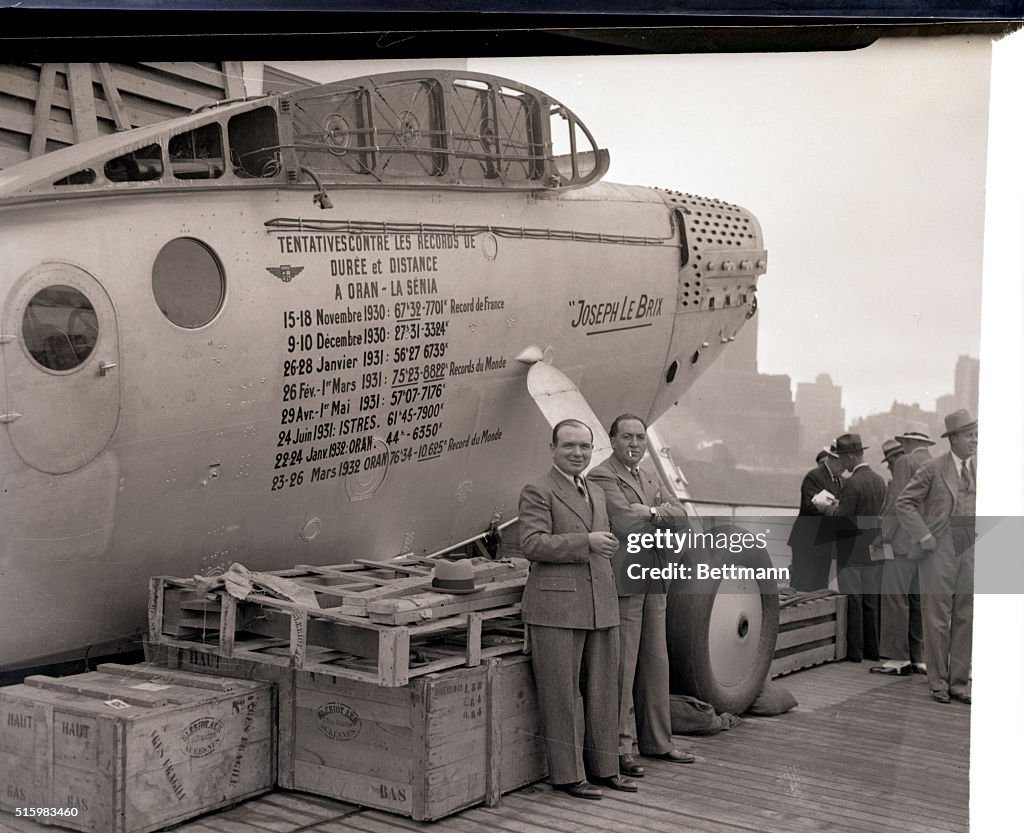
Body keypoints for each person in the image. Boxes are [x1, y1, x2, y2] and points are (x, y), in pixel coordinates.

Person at [518, 418, 637, 799]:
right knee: (562, 693)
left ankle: (606, 768)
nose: (577, 453)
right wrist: (585, 541)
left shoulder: (595, 492)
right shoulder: (538, 489)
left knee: (605, 688)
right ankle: (569, 776)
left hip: (599, 601)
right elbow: (532, 544)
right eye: (569, 446)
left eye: (584, 447)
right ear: (552, 448)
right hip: (555, 605)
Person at [588, 414, 695, 780]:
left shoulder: (647, 477)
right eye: (627, 437)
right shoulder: (602, 476)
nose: (635, 444)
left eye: (640, 437)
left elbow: (681, 517)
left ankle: (658, 741)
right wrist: (657, 514)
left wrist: (650, 511)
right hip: (626, 579)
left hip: (654, 576)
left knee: (655, 660)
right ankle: (621, 747)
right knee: (624, 664)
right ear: (613, 441)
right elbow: (625, 521)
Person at [896, 409, 976, 705]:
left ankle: (959, 683)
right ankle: (939, 683)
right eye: (969, 435)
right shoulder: (933, 467)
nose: (975, 441)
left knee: (966, 616)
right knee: (937, 617)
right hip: (938, 549)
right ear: (953, 438)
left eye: (976, 435)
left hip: (968, 548)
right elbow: (904, 502)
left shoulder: (981, 469)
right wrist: (923, 535)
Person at [873, 426, 934, 676]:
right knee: (917, 600)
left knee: (894, 598)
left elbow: (898, 503)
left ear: (907, 442)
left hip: (901, 544)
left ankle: (898, 658)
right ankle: (919, 657)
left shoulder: (905, 462)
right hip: (927, 545)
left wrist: (881, 537)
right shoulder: (938, 464)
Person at [829, 433, 886, 663]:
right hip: (876, 546)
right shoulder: (879, 480)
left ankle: (855, 652)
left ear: (852, 456)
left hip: (852, 549)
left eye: (843, 458)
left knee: (853, 598)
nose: (842, 463)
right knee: (871, 600)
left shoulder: (852, 483)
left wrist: (830, 510)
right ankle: (872, 651)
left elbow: (844, 518)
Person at [787, 445, 845, 591]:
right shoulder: (814, 477)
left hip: (824, 544)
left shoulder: (840, 480)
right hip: (808, 543)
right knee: (802, 586)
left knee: (819, 588)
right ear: (832, 459)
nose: (845, 467)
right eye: (842, 462)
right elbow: (811, 505)